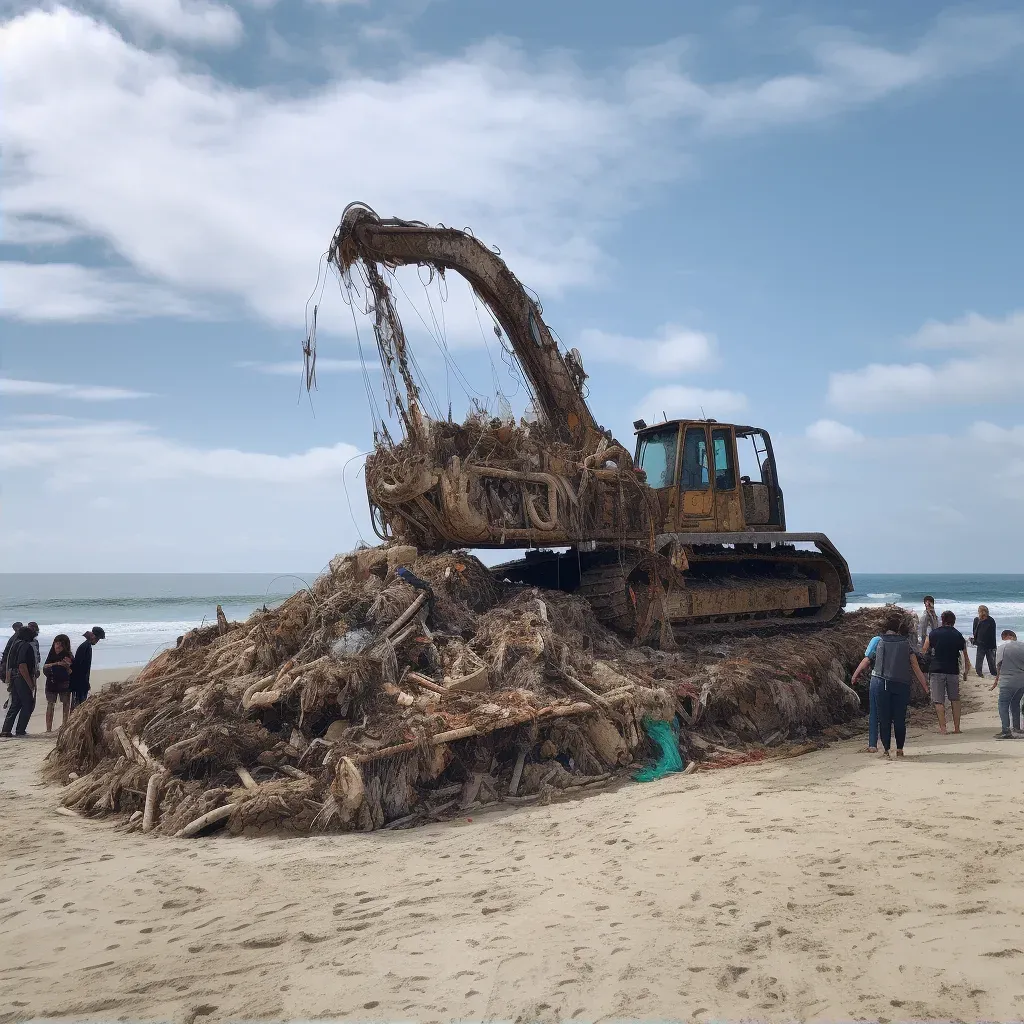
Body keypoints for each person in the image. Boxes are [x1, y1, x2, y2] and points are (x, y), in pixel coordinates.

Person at [872, 610, 929, 758]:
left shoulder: (879, 641)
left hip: (882, 683)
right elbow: (915, 666)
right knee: (899, 718)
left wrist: (856, 674)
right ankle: (900, 749)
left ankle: (885, 749)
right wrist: (925, 686)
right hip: (901, 684)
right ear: (899, 629)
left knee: (883, 718)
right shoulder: (906, 644)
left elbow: (870, 662)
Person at [921, 610, 969, 734]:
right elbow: (965, 655)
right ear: (954, 621)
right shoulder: (958, 635)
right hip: (953, 670)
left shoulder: (933, 634)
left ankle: (943, 729)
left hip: (936, 669)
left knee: (939, 700)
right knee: (955, 699)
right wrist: (966, 671)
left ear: (942, 620)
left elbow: (924, 650)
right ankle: (957, 728)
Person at [2, 625, 39, 737]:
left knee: (15, 703)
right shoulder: (26, 646)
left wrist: (8, 680)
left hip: (13, 677)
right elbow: (22, 666)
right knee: (28, 703)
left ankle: (6, 730)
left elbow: (9, 663)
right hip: (21, 677)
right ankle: (20, 730)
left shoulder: (15, 644)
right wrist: (30, 683)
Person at [851, 632, 885, 753]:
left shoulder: (877, 640)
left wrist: (855, 675)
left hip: (878, 679)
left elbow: (867, 659)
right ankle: (888, 744)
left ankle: (872, 744)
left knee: (875, 712)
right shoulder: (902, 642)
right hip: (895, 681)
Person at [991, 629, 1024, 739]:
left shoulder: (1002, 646)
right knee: (1015, 703)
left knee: (1003, 704)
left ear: (1007, 636)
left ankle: (1006, 730)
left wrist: (996, 681)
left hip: (1008, 680)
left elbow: (998, 665)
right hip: (1021, 680)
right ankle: (1017, 728)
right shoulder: (1022, 645)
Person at [43, 634, 74, 733]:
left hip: (64, 683)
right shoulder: (51, 654)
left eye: (60, 646)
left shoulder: (68, 656)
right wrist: (57, 663)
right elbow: (44, 666)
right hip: (51, 683)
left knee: (66, 704)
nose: (57, 647)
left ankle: (64, 726)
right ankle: (48, 729)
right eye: (56, 644)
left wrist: (67, 666)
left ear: (64, 646)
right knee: (50, 704)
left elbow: (71, 672)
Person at [70, 627, 105, 709]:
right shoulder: (85, 647)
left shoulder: (87, 646)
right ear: (93, 636)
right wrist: (85, 683)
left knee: (78, 705)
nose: (97, 641)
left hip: (81, 681)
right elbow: (79, 667)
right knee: (78, 707)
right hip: (80, 683)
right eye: (98, 639)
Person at [972, 605, 998, 677]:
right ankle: (980, 674)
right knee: (982, 661)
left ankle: (993, 674)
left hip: (988, 644)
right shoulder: (977, 620)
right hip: (983, 643)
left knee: (989, 662)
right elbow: (975, 631)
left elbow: (992, 633)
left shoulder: (990, 620)